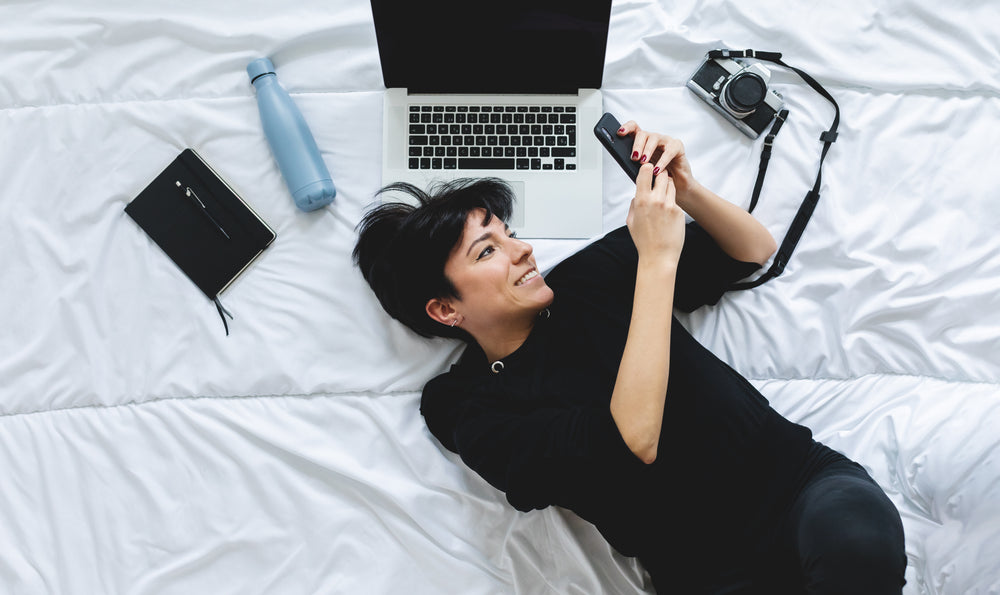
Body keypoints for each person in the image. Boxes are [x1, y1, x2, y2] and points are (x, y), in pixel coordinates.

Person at [353, 121, 907, 594]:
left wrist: (687, 191)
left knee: (857, 549)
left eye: (509, 233)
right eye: (488, 251)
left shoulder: (587, 280)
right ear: (446, 310)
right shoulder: (468, 407)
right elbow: (633, 439)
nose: (523, 249)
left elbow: (751, 250)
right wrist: (657, 263)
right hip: (706, 571)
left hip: (799, 484)